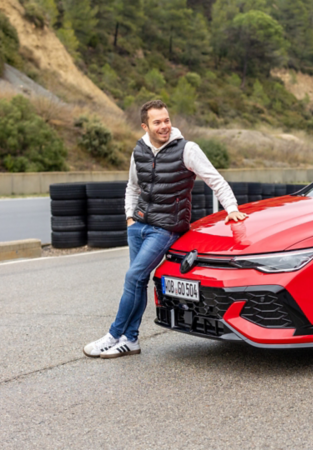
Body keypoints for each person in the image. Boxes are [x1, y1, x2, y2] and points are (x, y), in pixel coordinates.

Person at [83, 99, 247, 359]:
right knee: (137, 281)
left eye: (166, 120)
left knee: (132, 276)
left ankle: (113, 335)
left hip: (166, 228)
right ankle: (131, 340)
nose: (164, 126)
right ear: (145, 125)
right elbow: (133, 187)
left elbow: (215, 179)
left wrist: (232, 208)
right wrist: (129, 218)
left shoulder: (187, 149)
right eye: (157, 122)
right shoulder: (139, 150)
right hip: (138, 226)